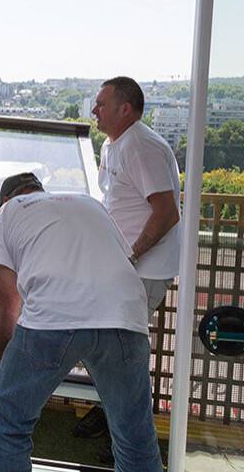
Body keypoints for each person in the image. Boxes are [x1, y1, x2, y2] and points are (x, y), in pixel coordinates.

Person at [0, 173, 162, 472]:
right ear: (40, 191)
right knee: (134, 435)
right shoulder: (89, 204)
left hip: (53, 317)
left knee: (10, 424)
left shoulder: (7, 213)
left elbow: (7, 300)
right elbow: (123, 259)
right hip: (124, 315)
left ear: (5, 200)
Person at [76, 76, 183, 444]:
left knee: (123, 348)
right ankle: (111, 416)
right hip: (124, 266)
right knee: (111, 344)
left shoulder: (141, 146)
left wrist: (132, 254)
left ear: (125, 109)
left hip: (143, 269)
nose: (94, 110)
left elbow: (167, 212)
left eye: (101, 104)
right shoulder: (113, 145)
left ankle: (128, 437)